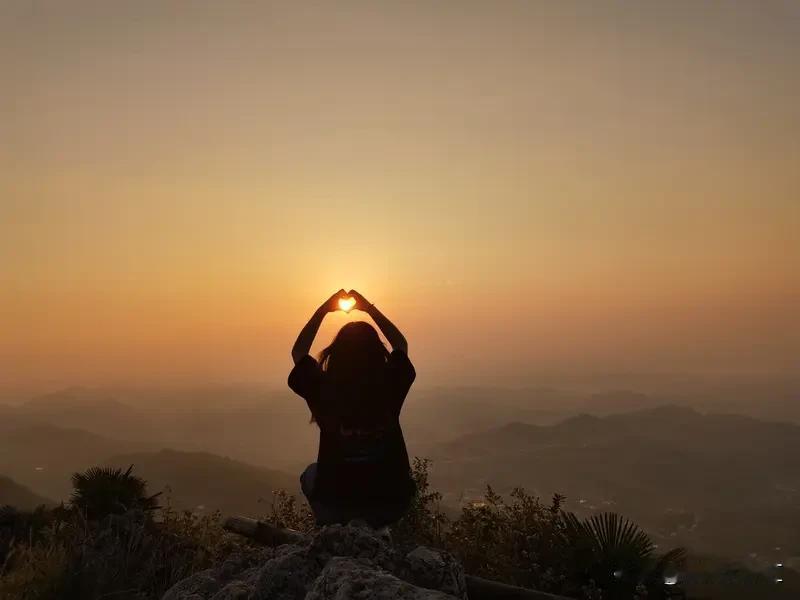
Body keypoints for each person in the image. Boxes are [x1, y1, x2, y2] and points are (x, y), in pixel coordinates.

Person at [288, 289, 417, 527]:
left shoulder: (323, 387)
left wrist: (324, 310)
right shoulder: (389, 384)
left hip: (336, 508)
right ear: (379, 352)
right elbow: (401, 345)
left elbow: (298, 353)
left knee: (310, 474)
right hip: (391, 505)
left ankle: (337, 537)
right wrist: (368, 308)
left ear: (335, 354)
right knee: (400, 483)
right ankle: (379, 536)